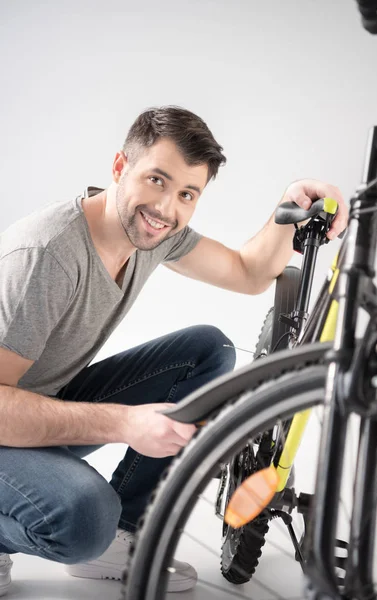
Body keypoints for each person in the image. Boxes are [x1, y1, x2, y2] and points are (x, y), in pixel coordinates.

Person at [0, 106, 347, 596]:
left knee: (206, 351)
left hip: (32, 406)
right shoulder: (49, 256)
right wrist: (124, 422)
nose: (166, 207)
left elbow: (249, 273)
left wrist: (292, 202)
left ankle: (122, 538)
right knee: (85, 516)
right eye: (156, 180)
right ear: (120, 168)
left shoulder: (153, 236)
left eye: (187, 193)